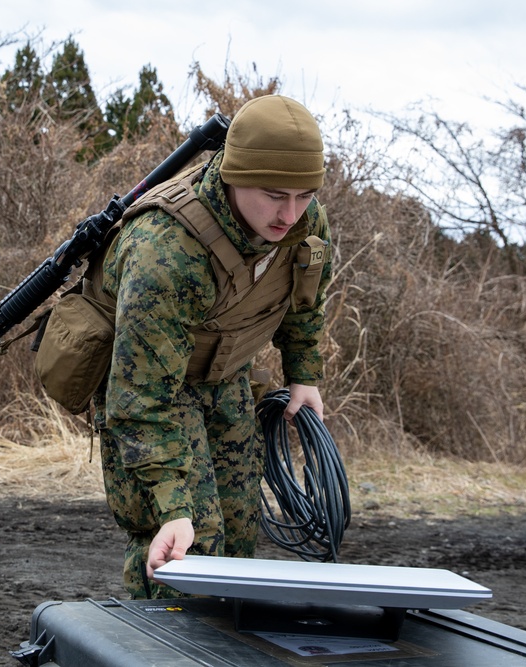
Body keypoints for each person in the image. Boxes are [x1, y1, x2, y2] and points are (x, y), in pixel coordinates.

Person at [95, 94, 332, 599]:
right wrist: (171, 504)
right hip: (153, 394)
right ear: (232, 174)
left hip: (226, 382)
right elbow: (139, 398)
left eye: (304, 194)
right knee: (186, 552)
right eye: (274, 195)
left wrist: (303, 374)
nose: (290, 213)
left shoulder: (305, 224)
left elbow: (305, 297)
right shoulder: (166, 248)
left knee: (238, 545)